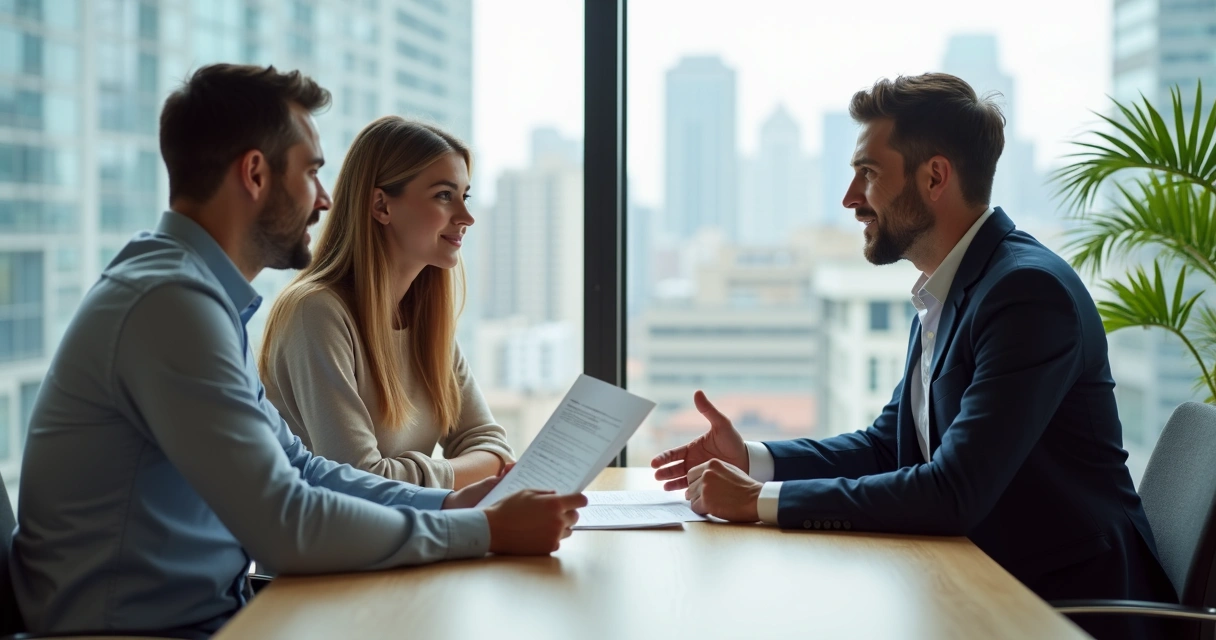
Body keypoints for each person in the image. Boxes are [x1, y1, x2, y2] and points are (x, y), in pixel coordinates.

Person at [9, 64, 585, 637]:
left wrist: (450, 509)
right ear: (255, 174)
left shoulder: (199, 300)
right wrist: (486, 532)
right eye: (311, 172)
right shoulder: (169, 304)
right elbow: (284, 524)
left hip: (219, 616)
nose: (327, 199)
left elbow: (303, 469)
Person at [651, 73, 1177, 640]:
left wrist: (761, 501)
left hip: (1065, 607)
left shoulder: (1026, 295)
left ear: (934, 177)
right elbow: (889, 445)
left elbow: (954, 491)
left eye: (868, 174)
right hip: (980, 586)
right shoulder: (950, 286)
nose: (851, 199)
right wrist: (755, 459)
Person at [259, 118, 512, 490]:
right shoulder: (315, 313)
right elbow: (360, 482)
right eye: (444, 195)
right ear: (381, 205)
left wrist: (409, 475)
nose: (466, 217)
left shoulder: (426, 321)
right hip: (333, 546)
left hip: (403, 539)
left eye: (465, 195)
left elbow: (495, 450)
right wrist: (456, 475)